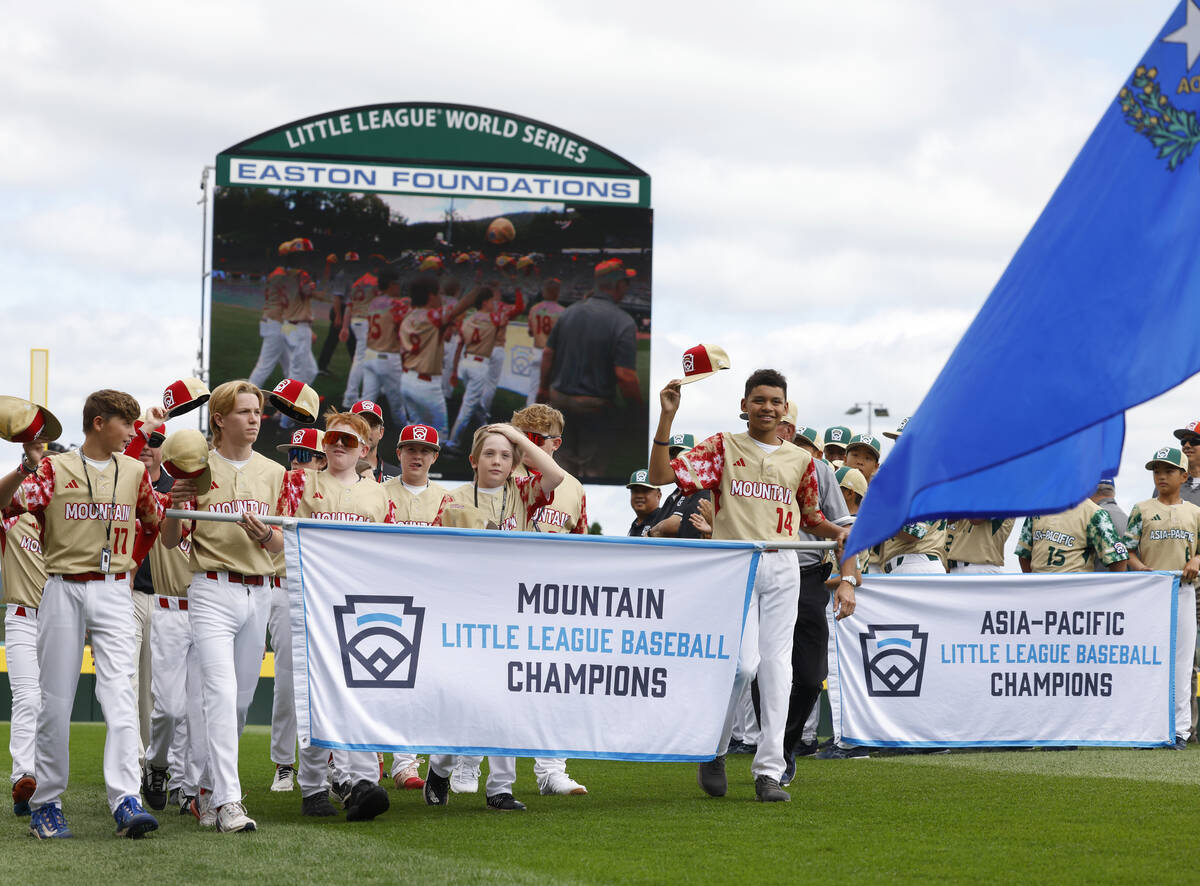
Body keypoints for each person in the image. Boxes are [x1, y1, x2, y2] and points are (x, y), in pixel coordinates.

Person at [648, 369, 857, 803]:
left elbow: (810, 517)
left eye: (775, 401)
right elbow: (661, 476)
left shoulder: (802, 462)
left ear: (785, 407)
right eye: (758, 399)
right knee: (743, 666)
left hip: (784, 565)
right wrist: (667, 417)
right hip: (736, 566)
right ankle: (715, 748)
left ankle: (769, 771)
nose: (767, 407)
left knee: (779, 669)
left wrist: (834, 533)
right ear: (744, 405)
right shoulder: (723, 446)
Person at [0, 392, 167, 839]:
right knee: (55, 699)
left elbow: (154, 522)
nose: (133, 433)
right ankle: (46, 801)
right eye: (125, 424)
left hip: (114, 588)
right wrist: (24, 466)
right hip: (62, 587)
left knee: (120, 694)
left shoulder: (133, 471)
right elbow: (5, 505)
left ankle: (125, 798)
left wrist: (132, 559)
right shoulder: (55, 468)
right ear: (98, 423)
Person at [159, 380, 285, 834]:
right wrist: (174, 507)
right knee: (219, 691)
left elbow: (282, 547)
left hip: (261, 589)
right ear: (219, 418)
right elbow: (173, 541)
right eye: (244, 412)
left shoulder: (274, 472)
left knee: (240, 701)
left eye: (257, 412)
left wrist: (264, 536)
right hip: (211, 587)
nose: (254, 419)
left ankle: (205, 790)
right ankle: (229, 801)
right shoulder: (197, 469)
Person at [424, 423, 564, 811]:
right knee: (463, 699)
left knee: (510, 700)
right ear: (473, 460)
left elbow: (554, 475)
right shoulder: (450, 499)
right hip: (464, 609)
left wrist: (517, 438)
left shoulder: (522, 493)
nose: (498, 461)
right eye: (489, 453)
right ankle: (441, 767)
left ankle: (500, 788)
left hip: (512, 608)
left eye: (506, 455)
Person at [274, 410, 395, 821]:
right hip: (307, 601)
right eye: (333, 440)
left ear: (365, 448)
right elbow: (279, 537)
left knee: (357, 692)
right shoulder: (300, 482)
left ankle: (360, 781)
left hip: (357, 605)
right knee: (310, 694)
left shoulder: (380, 495)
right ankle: (313, 787)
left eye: (348, 441)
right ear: (323, 445)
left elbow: (389, 552)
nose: (339, 446)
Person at [509, 404, 589, 796]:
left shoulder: (572, 487)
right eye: (518, 436)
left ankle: (551, 770)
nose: (524, 446)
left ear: (555, 443)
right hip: (504, 593)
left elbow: (581, 546)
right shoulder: (500, 476)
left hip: (553, 598)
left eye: (534, 440)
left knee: (556, 685)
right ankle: (472, 770)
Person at [779, 427, 854, 777]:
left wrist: (849, 579)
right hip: (761, 571)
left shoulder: (820, 470)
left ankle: (784, 745)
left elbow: (843, 528)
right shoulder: (745, 458)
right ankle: (764, 750)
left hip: (810, 574)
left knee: (811, 676)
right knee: (754, 669)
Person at [1123, 446, 1200, 749]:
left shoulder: (1195, 512)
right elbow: (1126, 549)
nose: (1161, 476)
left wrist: (1197, 560)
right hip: (1149, 592)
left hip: (1183, 591)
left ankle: (1180, 730)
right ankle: (1145, 726)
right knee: (1147, 659)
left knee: (1182, 663)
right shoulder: (1140, 509)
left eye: (1168, 471)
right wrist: (1140, 567)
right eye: (1157, 471)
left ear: (1183, 475)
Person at [540, 258, 642, 480]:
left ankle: (561, 509)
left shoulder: (568, 312)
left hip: (559, 401)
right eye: (625, 282)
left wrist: (543, 389)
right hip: (593, 407)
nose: (627, 287)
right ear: (617, 285)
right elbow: (625, 376)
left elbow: (548, 354)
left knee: (560, 468)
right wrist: (637, 410)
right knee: (592, 470)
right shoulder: (622, 321)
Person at [1, 509, 46, 818]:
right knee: (28, 698)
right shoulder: (12, 516)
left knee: (51, 706)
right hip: (22, 619)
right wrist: (24, 469)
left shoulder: (66, 518)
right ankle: (23, 777)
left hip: (58, 622)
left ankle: (45, 785)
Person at [399, 274, 471, 436]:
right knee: (440, 434)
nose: (441, 297)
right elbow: (460, 308)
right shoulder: (432, 316)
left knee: (416, 429)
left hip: (405, 379)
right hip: (426, 383)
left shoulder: (408, 314)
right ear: (431, 296)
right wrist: (481, 290)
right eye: (438, 294)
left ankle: (407, 458)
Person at [446, 286, 507, 454]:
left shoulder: (468, 319)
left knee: (476, 403)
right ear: (485, 302)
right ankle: (452, 443)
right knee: (468, 406)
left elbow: (459, 345)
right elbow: (515, 310)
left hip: (466, 363)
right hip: (479, 366)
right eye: (492, 301)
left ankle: (487, 430)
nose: (494, 304)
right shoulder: (494, 318)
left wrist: (453, 371)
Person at [1015, 500, 1129, 573]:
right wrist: (1032, 585)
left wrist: (1109, 592)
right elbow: (1024, 554)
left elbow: (1118, 558)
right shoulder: (1038, 509)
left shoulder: (1095, 513)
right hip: (1040, 590)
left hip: (1075, 592)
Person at [360, 266, 410, 429]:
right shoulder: (397, 304)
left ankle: (357, 429)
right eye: (396, 283)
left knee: (367, 399)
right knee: (396, 400)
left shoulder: (374, 302)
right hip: (387, 357)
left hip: (369, 354)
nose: (398, 286)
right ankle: (402, 428)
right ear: (390, 284)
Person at [248, 244, 294, 389]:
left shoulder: (277, 273)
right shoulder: (282, 276)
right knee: (264, 366)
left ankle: (294, 399)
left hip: (274, 323)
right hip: (276, 324)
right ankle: (244, 397)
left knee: (291, 366)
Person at [648, 434, 711, 540]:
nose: (677, 462)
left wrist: (651, 533)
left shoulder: (705, 492)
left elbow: (671, 526)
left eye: (685, 457)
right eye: (672, 455)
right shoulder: (674, 495)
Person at [339, 255, 376, 408]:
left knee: (362, 358)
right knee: (362, 359)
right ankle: (351, 396)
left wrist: (345, 327)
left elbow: (349, 305)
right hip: (366, 321)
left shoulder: (357, 283)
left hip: (356, 320)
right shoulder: (376, 283)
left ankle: (357, 394)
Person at [525, 279, 564, 406]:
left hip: (536, 351)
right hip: (552, 355)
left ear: (544, 292)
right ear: (557, 293)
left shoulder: (534, 309)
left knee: (533, 390)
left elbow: (530, 332)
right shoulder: (563, 312)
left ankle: (525, 423)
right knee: (550, 393)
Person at [351, 399, 400, 482]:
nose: (366, 430)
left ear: (381, 432)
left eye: (372, 425)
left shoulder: (397, 477)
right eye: (360, 424)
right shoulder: (334, 470)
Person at [945, 518, 1015, 574]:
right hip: (956, 569)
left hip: (981, 568)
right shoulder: (969, 502)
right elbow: (945, 520)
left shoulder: (1001, 500)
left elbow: (976, 519)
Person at [625, 470, 662, 536]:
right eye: (635, 491)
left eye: (645, 491)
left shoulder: (663, 518)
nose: (639, 496)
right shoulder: (635, 524)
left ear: (658, 496)